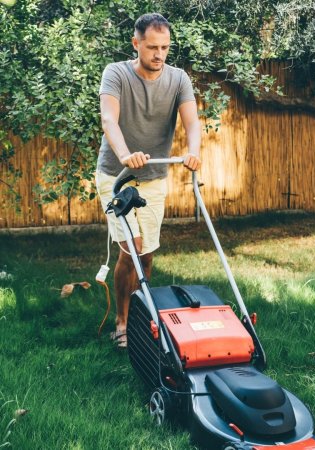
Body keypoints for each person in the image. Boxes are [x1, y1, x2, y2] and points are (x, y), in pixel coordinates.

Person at [95, 13, 202, 348]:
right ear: (136, 43)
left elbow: (193, 122)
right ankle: (122, 321)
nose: (159, 54)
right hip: (116, 175)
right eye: (152, 47)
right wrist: (126, 153)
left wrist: (194, 152)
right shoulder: (116, 73)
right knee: (131, 248)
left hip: (155, 176)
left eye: (165, 47)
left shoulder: (178, 79)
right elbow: (109, 118)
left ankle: (144, 319)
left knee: (147, 254)